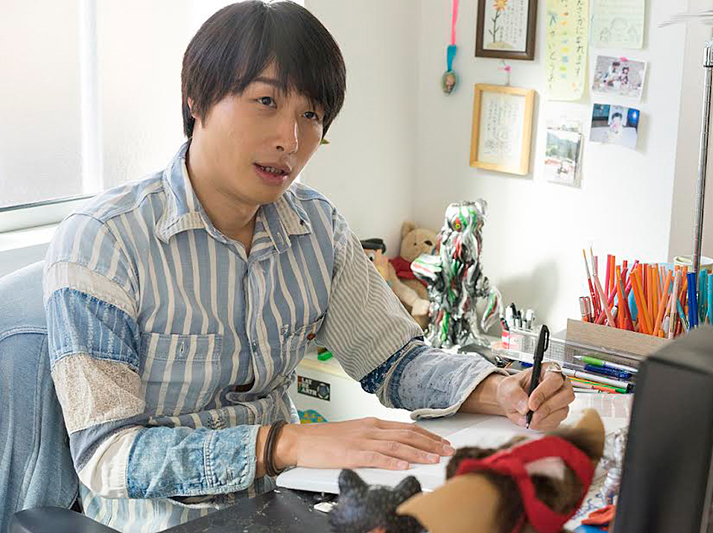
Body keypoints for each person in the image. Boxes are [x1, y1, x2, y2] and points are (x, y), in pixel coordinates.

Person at [42, 2, 574, 531]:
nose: (290, 141)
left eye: (311, 115)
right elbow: (108, 455)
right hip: (161, 522)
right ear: (196, 100)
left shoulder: (317, 228)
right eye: (266, 101)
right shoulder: (103, 241)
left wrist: (498, 389)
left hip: (291, 505)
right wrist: (281, 443)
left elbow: (394, 361)